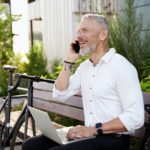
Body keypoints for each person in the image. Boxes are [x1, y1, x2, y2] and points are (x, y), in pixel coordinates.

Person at [22, 14, 144, 150]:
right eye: (78, 32)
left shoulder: (122, 67)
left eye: (85, 30)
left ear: (103, 35)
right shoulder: (85, 67)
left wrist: (92, 130)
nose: (79, 36)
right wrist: (69, 60)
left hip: (114, 140)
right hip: (90, 136)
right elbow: (59, 94)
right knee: (31, 146)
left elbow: (136, 117)